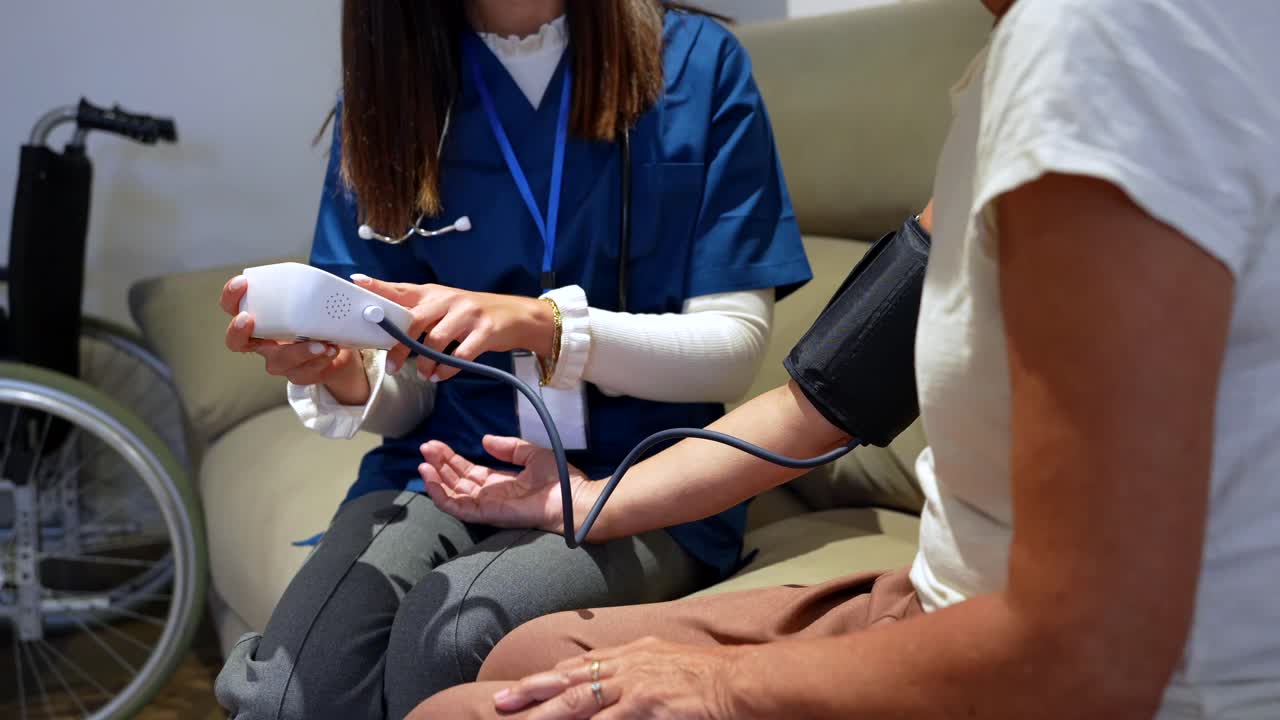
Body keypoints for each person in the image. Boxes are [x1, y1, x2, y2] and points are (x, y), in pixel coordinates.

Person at [410, 0, 1280, 717]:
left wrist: (722, 687)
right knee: (536, 650)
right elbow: (828, 394)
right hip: (948, 597)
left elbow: (1088, 652)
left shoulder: (1109, 46)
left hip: (1087, 680)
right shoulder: (1017, 59)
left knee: (461, 706)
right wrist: (591, 501)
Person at [213, 1, 812, 718]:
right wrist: (345, 376)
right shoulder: (392, 89)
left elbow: (732, 353)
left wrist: (543, 326)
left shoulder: (697, 64)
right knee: (288, 693)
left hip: (642, 477)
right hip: (443, 469)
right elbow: (404, 388)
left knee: (453, 639)